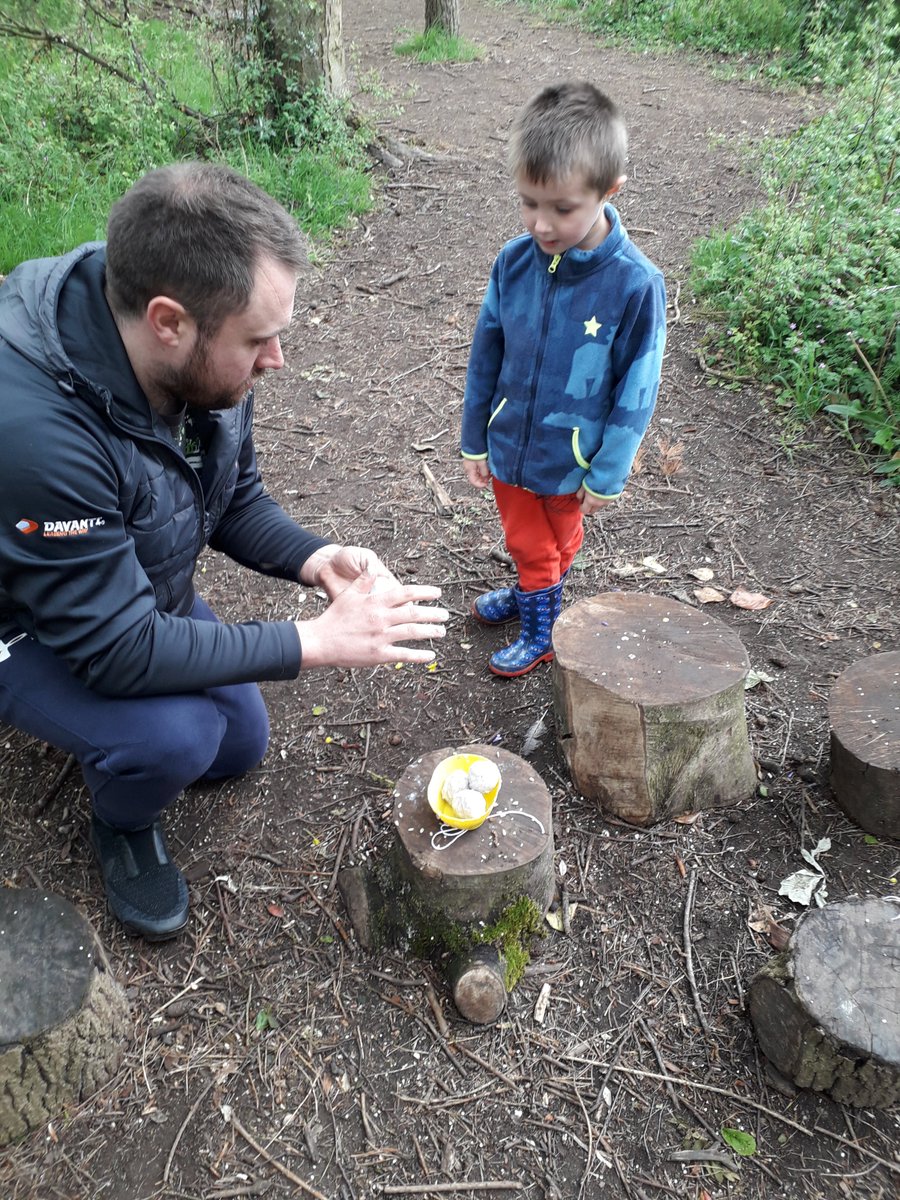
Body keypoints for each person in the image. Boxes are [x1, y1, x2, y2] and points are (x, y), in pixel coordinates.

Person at [0, 162, 448, 940]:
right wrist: (315, 642)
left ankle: (113, 742)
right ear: (169, 321)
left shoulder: (180, 348)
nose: (277, 360)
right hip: (24, 619)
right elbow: (116, 651)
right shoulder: (38, 434)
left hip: (116, 587)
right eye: (259, 340)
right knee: (178, 738)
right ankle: (120, 823)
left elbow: (232, 494)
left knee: (238, 743)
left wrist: (316, 559)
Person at [461, 81, 666, 676]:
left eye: (562, 208)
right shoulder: (513, 262)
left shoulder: (634, 285)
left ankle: (537, 602)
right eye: (528, 202)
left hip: (572, 458)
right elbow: (486, 352)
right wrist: (476, 435)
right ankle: (539, 609)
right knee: (531, 544)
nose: (541, 224)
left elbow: (638, 388)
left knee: (556, 540)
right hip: (510, 446)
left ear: (609, 191)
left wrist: (608, 472)